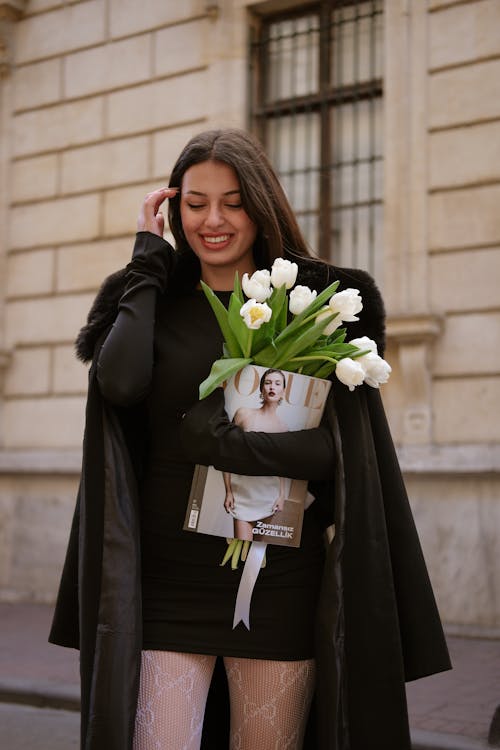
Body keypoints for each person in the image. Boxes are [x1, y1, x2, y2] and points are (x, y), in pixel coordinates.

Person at [49, 128, 451, 750]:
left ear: (260, 204)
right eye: (195, 202)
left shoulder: (318, 302)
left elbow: (338, 455)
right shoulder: (149, 295)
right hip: (165, 583)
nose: (214, 219)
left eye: (233, 201)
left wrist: (230, 447)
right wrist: (147, 263)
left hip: (278, 582)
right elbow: (120, 385)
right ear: (172, 209)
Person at [223, 368, 290, 540]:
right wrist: (228, 491)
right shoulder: (243, 414)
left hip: (269, 496)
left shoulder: (284, 429)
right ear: (261, 389)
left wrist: (281, 496)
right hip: (242, 494)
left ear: (283, 391)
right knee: (242, 543)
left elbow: (281, 467)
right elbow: (226, 452)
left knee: (257, 551)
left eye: (277, 383)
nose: (272, 387)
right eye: (267, 383)